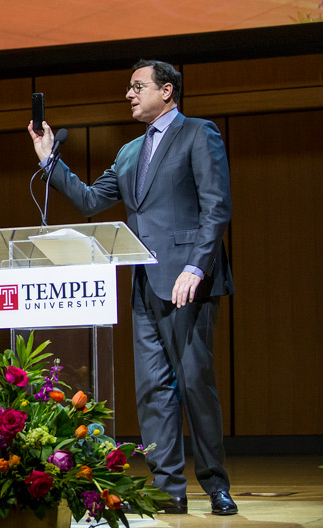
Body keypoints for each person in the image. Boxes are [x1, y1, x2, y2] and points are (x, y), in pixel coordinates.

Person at [27, 59, 236, 516]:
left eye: (137, 86)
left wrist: (197, 268)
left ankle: (216, 484)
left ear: (167, 91)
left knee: (195, 382)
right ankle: (169, 490)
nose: (129, 93)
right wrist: (49, 158)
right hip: (143, 283)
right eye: (128, 86)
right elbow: (88, 200)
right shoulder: (127, 152)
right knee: (152, 390)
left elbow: (216, 208)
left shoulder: (199, 134)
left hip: (187, 283)